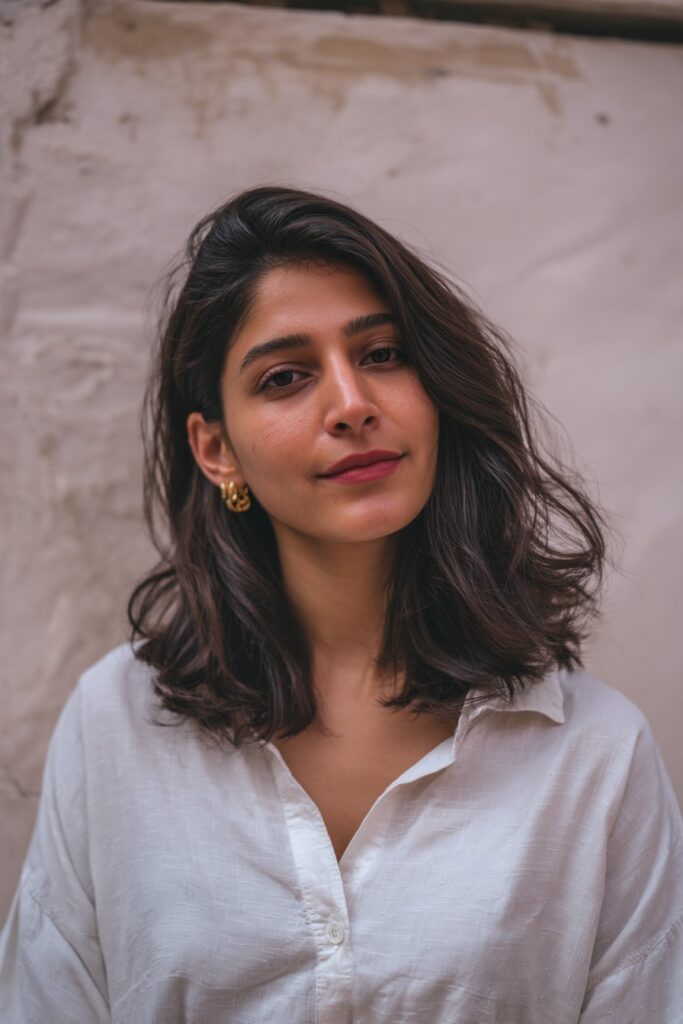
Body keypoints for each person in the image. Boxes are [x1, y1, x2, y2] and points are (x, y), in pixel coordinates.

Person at [0, 185, 681, 1023]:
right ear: (217, 450)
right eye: (285, 376)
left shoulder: (594, 757)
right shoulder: (118, 724)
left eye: (384, 354)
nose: (351, 403)